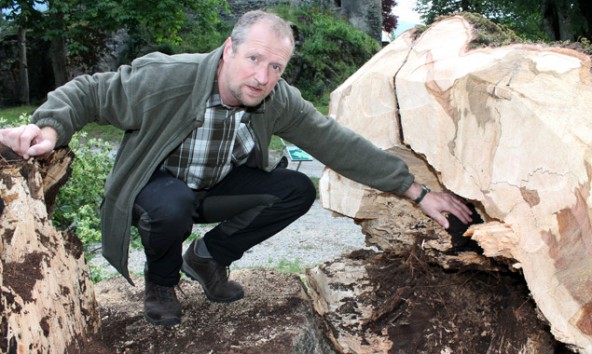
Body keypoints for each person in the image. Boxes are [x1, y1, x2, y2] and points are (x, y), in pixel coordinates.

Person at [0, 10, 472, 326]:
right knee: (171, 205)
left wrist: (415, 190)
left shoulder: (276, 99)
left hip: (217, 185)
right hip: (160, 187)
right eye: (253, 59)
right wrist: (51, 127)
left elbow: (335, 142)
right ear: (229, 50)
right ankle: (161, 285)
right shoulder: (167, 79)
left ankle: (206, 258)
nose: (262, 77)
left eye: (276, 67)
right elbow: (87, 92)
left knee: (296, 190)